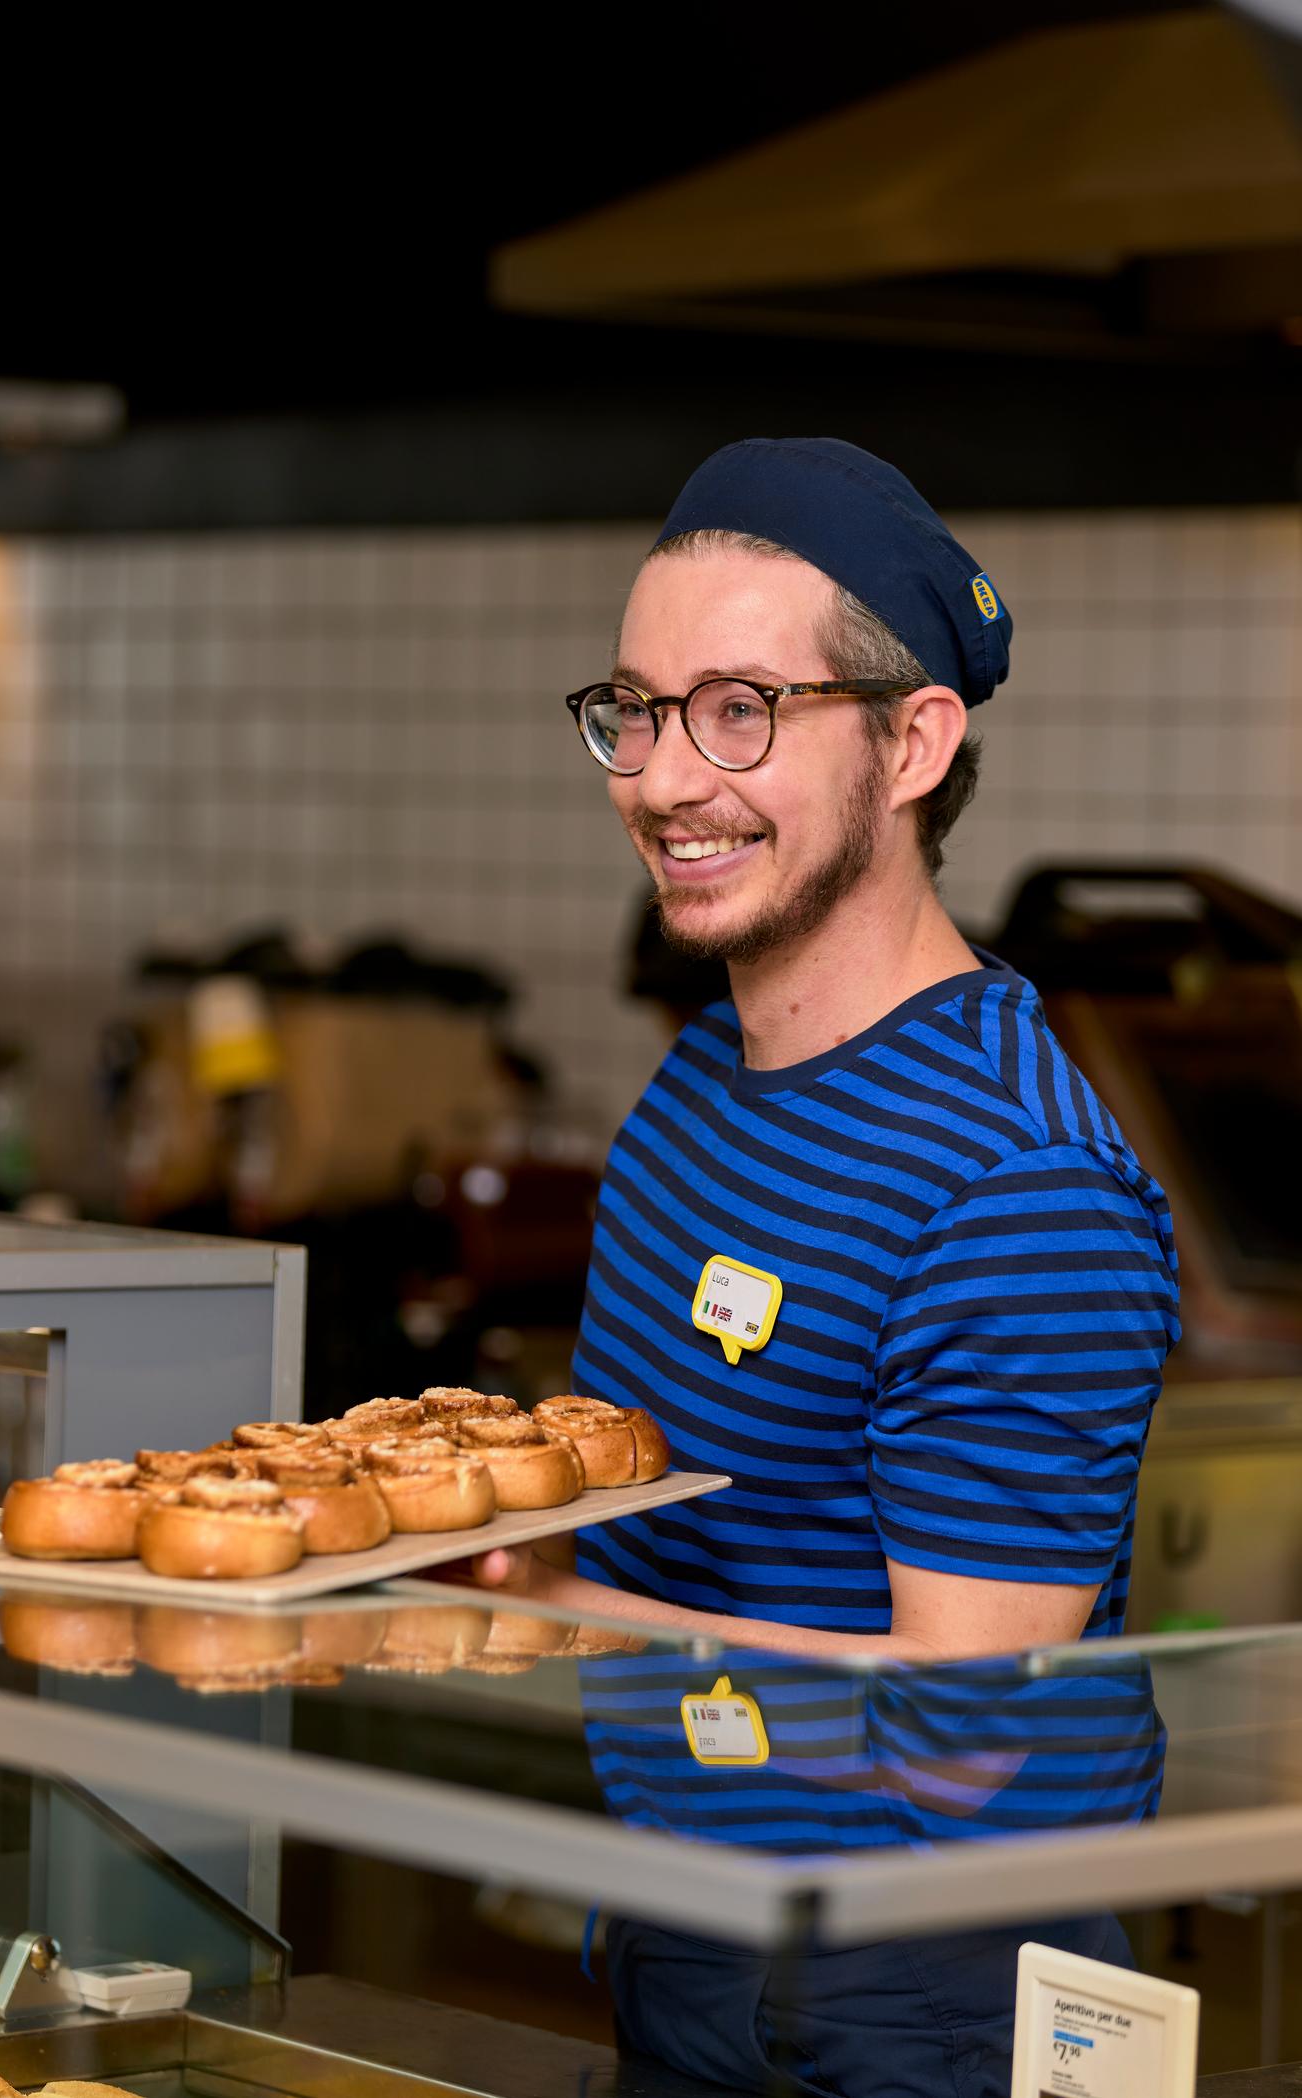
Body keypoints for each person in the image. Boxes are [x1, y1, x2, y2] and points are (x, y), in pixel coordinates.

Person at [473, 438, 1180, 2095]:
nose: (665, 778)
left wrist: (530, 1607)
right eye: (637, 710)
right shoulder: (694, 1090)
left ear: (913, 741)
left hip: (914, 2007)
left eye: (742, 710)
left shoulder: (1017, 1176)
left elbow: (960, 1738)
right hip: (692, 1934)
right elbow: (659, 1515)